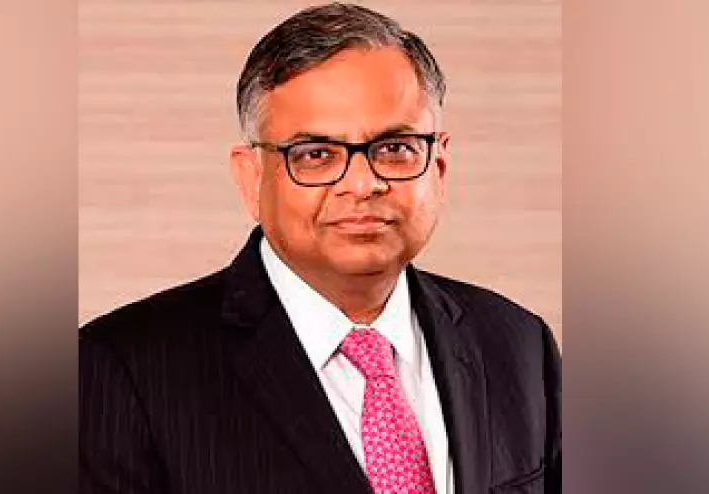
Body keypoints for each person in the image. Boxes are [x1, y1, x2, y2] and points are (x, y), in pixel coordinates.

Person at [79, 3, 561, 493]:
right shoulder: (122, 372)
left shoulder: (518, 345)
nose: (363, 184)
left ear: (438, 166)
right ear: (252, 178)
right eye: (315, 155)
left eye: (395, 149)